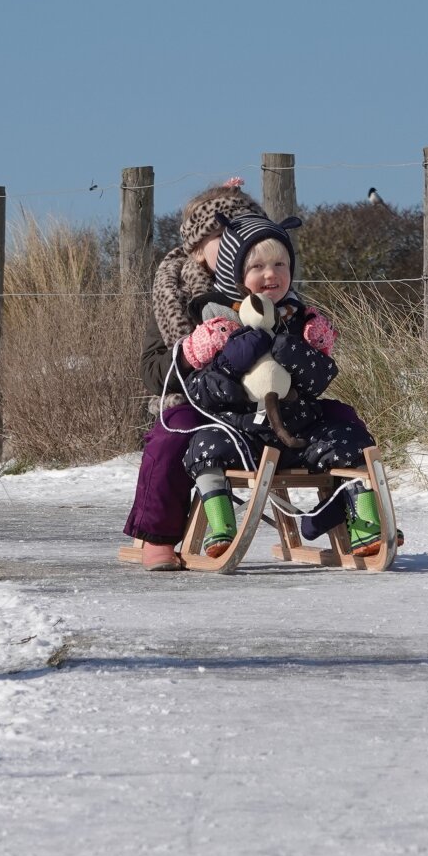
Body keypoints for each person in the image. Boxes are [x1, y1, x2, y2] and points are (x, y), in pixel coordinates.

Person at [121, 182, 374, 570]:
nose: (233, 241)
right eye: (221, 235)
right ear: (197, 246)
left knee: (341, 419)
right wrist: (190, 353)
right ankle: (159, 535)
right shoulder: (175, 293)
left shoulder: (270, 288)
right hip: (197, 399)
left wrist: (307, 347)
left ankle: (340, 509)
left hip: (275, 408)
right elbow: (154, 372)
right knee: (172, 435)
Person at [174, 210, 385, 561]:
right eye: (257, 267)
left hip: (298, 426)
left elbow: (321, 378)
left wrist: (292, 350)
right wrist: (229, 365)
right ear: (235, 274)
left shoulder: (301, 321)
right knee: (204, 447)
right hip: (243, 434)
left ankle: (363, 521)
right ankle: (221, 524)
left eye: (280, 265)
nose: (271, 274)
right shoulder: (216, 326)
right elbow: (198, 391)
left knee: (351, 439)